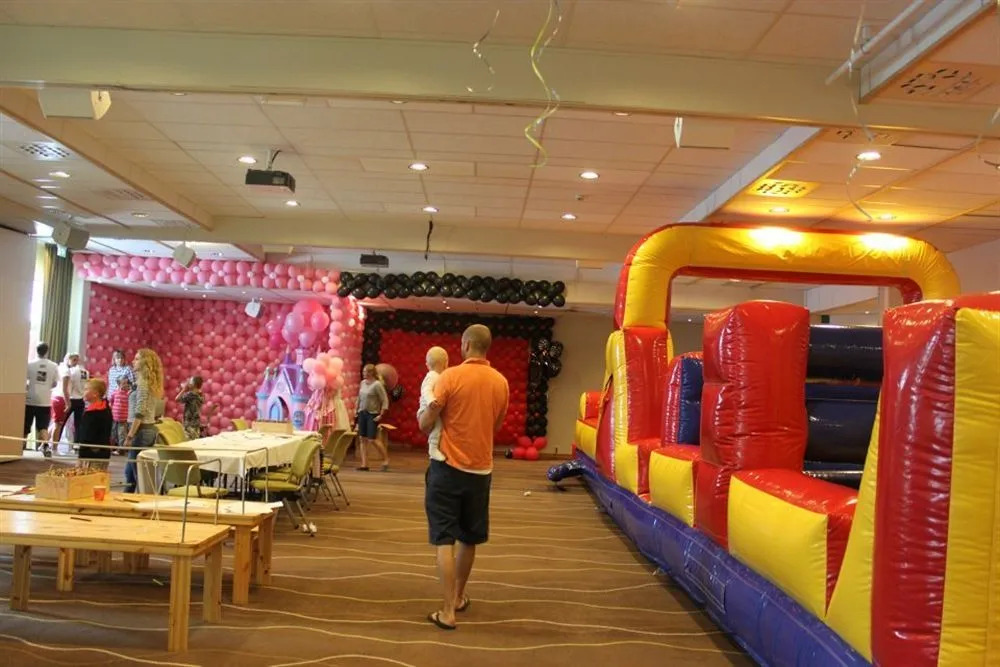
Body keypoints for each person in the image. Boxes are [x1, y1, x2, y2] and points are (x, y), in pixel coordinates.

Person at [418, 324, 509, 631]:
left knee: (444, 539)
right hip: (481, 471)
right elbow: (496, 426)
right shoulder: (501, 382)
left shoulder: (449, 377)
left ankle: (447, 612)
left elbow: (426, 423)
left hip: (446, 468)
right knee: (469, 538)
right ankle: (458, 597)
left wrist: (427, 416)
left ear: (467, 344)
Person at [123, 348, 164, 493]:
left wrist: (130, 435)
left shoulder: (143, 384)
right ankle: (127, 499)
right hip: (147, 429)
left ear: (145, 362)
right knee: (131, 473)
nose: (133, 361)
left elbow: (139, 412)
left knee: (137, 474)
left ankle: (144, 499)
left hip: (141, 430)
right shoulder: (146, 383)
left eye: (137, 359)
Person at [24, 342, 59, 455]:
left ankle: (20, 448)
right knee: (43, 427)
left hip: (30, 400)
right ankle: (45, 446)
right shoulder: (53, 365)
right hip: (45, 401)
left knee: (25, 426)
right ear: (47, 351)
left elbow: (25, 381)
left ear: (36, 350)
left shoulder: (29, 364)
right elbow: (55, 383)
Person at [356, 363, 390, 471]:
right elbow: (359, 397)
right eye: (363, 371)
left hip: (372, 414)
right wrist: (356, 410)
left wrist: (381, 414)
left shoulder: (377, 385)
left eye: (365, 372)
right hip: (362, 412)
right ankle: (364, 464)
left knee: (372, 439)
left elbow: (384, 400)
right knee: (362, 438)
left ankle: (386, 459)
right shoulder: (362, 383)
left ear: (371, 373)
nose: (363, 373)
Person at [417, 346, 449, 462]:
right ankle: (433, 448)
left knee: (439, 427)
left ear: (427, 364)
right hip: (425, 409)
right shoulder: (432, 376)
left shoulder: (437, 376)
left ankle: (434, 448)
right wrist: (430, 400)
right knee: (438, 426)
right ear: (445, 364)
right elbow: (426, 390)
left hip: (430, 409)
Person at [76, 377, 113, 471]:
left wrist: (81, 456)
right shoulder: (105, 409)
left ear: (95, 394)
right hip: (102, 452)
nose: (84, 392)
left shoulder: (94, 413)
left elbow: (87, 436)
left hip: (92, 454)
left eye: (86, 389)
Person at [55, 353, 88, 445]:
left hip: (70, 399)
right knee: (78, 424)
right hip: (80, 399)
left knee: (61, 423)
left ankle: (55, 443)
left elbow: (68, 386)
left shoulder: (71, 371)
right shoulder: (86, 372)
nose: (75, 362)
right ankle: (77, 445)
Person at [175, 376, 207, 440]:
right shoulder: (201, 395)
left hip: (189, 423)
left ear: (194, 384)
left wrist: (184, 389)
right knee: (194, 441)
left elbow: (177, 399)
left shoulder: (191, 394)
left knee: (188, 442)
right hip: (196, 422)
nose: (188, 383)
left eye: (190, 381)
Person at [109, 375, 131, 454]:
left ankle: (121, 450)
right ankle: (110, 448)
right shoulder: (115, 392)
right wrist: (111, 407)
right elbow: (111, 401)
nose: (126, 385)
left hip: (123, 419)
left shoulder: (128, 393)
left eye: (127, 383)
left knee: (122, 434)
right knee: (113, 434)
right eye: (123, 383)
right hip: (114, 417)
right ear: (119, 384)